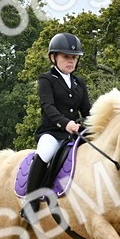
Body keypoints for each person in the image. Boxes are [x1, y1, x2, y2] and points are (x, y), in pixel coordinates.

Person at [24, 32, 90, 216]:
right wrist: (65, 123)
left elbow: (86, 110)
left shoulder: (79, 82)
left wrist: (96, 126)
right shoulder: (46, 79)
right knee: (44, 153)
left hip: (75, 133)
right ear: (54, 57)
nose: (71, 61)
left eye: (74, 58)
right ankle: (31, 202)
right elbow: (48, 106)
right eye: (66, 57)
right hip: (52, 132)